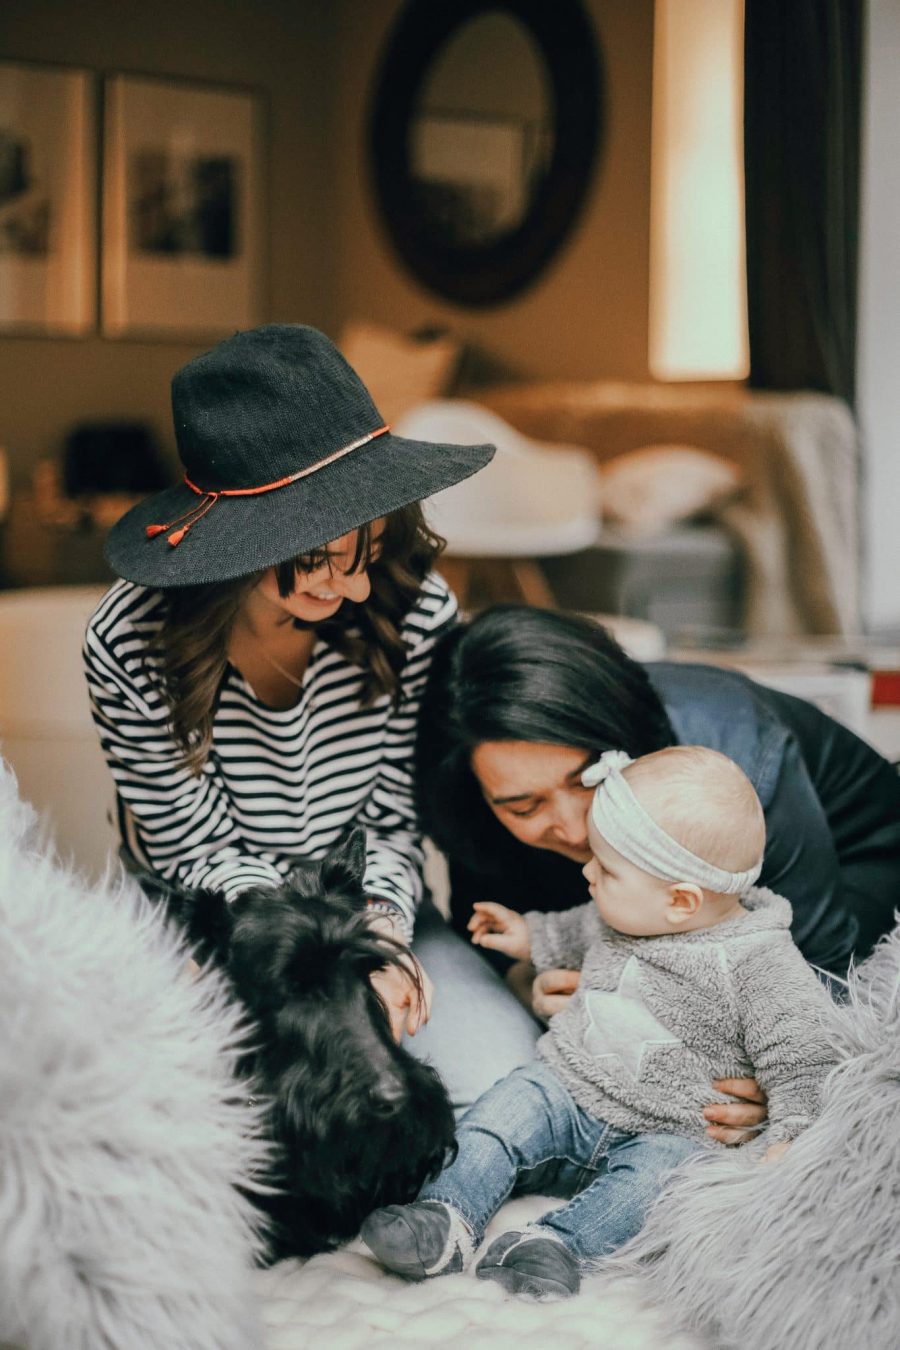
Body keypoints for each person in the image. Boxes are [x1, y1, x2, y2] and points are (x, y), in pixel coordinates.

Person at [82, 323, 541, 1083]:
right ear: (240, 548)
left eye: (371, 545)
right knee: (225, 1100)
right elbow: (194, 856)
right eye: (321, 560)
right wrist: (326, 966)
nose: (359, 584)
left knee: (496, 1074)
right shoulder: (128, 640)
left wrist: (382, 940)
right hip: (209, 917)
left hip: (371, 903)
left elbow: (394, 821)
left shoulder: (414, 608)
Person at [362, 745, 837, 1299]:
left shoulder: (760, 963)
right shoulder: (630, 908)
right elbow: (575, 928)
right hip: (567, 1088)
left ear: (680, 901)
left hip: (671, 1126)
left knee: (658, 1187)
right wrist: (528, 936)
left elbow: (805, 1057)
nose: (587, 871)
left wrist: (790, 1137)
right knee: (500, 1115)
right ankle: (443, 1217)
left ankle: (557, 1247)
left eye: (606, 869)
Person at [414, 604, 900, 1134]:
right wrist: (528, 978)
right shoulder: (471, 807)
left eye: (587, 780)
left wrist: (763, 1087)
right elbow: (490, 935)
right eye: (523, 807)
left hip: (861, 859)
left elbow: (819, 977)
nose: (576, 829)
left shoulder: (737, 768)